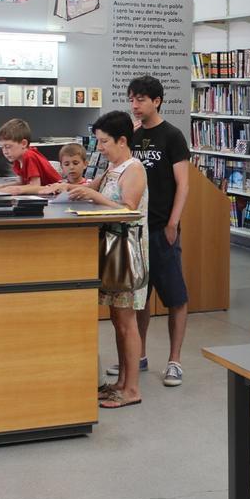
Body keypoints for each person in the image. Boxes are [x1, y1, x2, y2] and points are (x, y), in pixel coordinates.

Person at [47, 111, 148, 409]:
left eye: (104, 142)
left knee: (127, 320)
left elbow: (128, 207)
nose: (100, 147)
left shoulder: (134, 169)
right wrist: (68, 189)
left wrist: (93, 196)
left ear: (121, 140)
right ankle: (120, 382)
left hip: (127, 251)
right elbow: (94, 191)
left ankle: (132, 389)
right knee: (117, 318)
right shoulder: (113, 167)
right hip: (111, 248)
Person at [126, 75, 191, 387]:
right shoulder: (132, 136)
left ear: (157, 101)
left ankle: (175, 361)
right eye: (132, 99)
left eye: (141, 99)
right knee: (139, 297)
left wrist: (172, 223)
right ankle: (137, 355)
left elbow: (183, 184)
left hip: (161, 228)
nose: (135, 105)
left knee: (175, 297)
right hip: (134, 230)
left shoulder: (173, 136)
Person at [0, 118, 61, 195]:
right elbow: (20, 182)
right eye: (2, 147)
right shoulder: (17, 158)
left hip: (56, 193)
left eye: (8, 146)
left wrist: (12, 189)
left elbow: (35, 186)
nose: (5, 151)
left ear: (23, 144)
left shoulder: (29, 156)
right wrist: (1, 187)